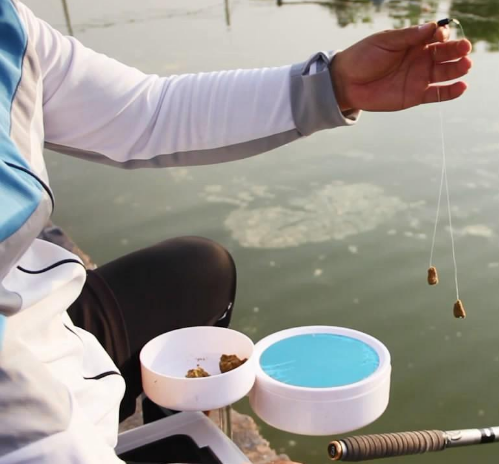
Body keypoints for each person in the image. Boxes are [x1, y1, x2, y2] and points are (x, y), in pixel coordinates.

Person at [0, 0, 473, 461]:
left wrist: (335, 85)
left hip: (32, 322)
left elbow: (146, 111)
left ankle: (172, 430)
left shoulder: (11, 26)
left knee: (197, 272)